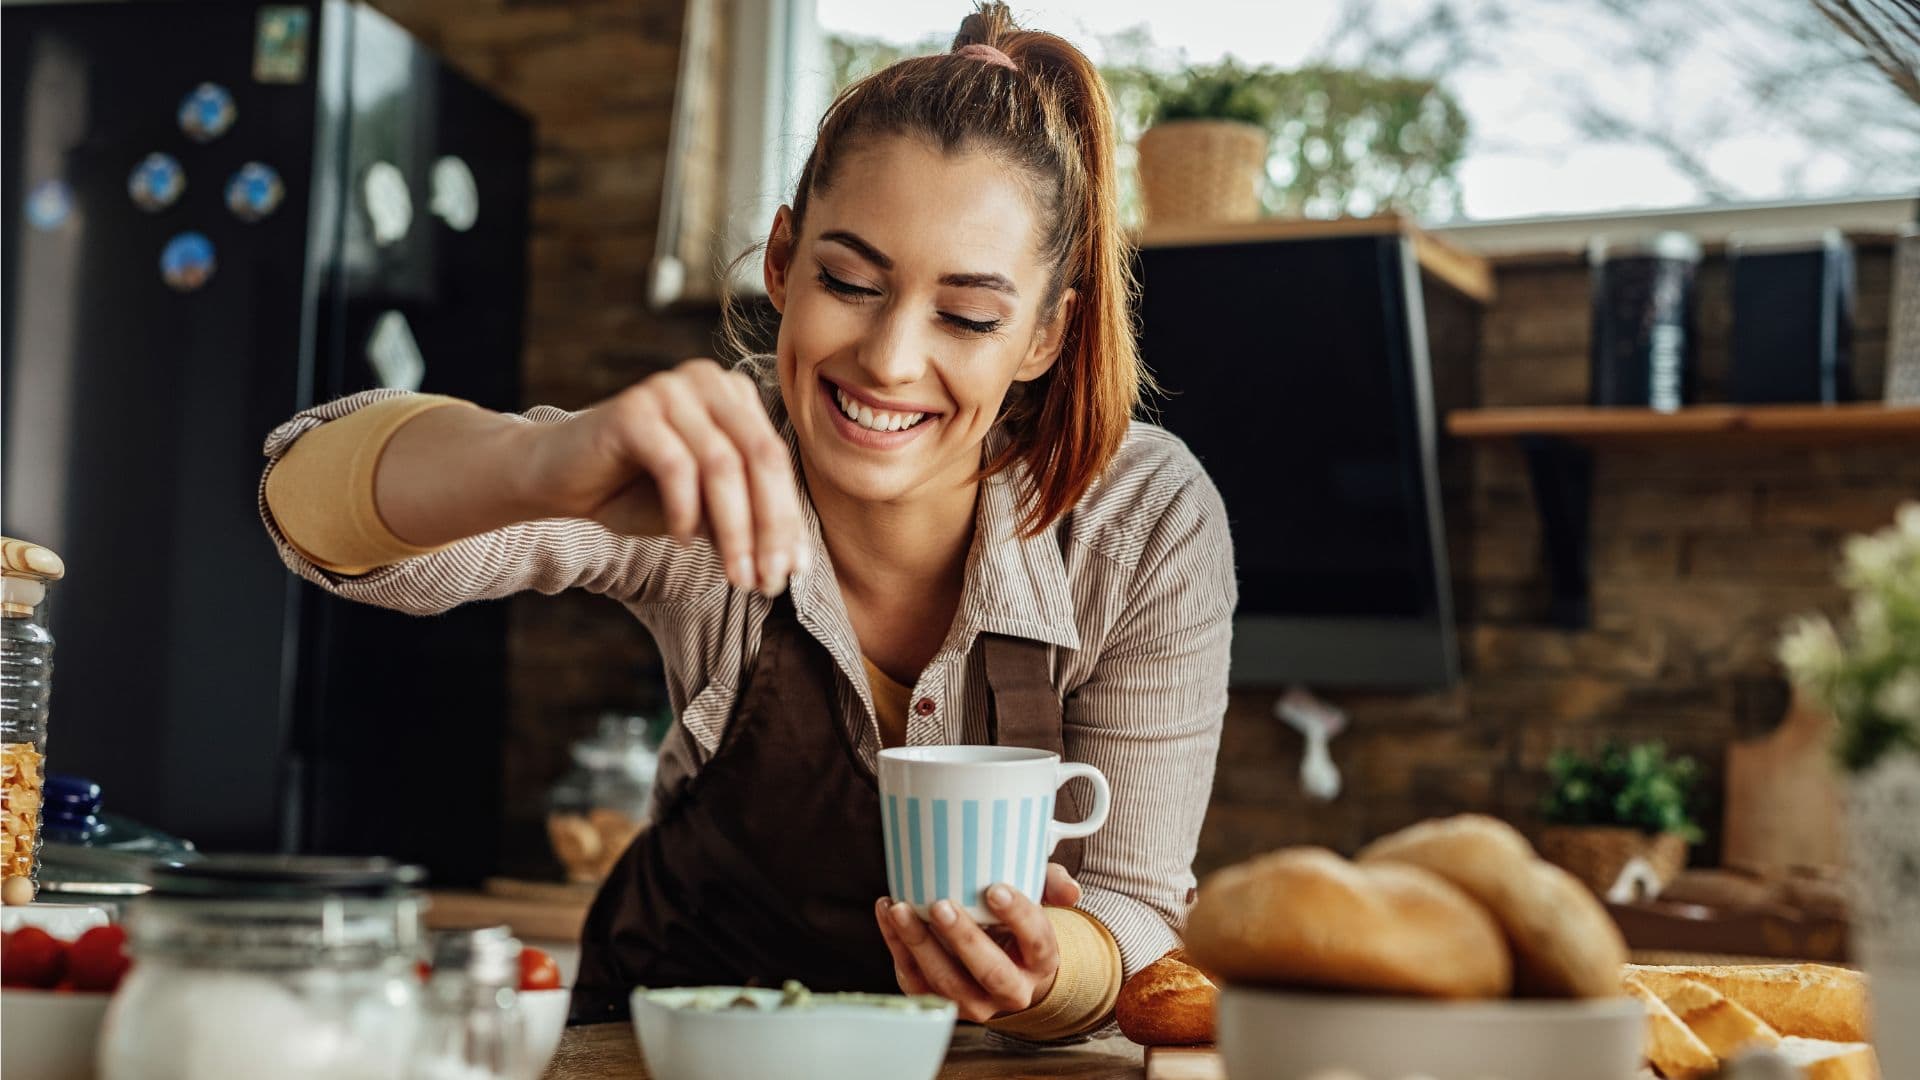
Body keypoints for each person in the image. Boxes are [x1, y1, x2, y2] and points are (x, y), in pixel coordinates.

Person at [257, 2, 1234, 1042]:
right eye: (849, 282)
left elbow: (1134, 908)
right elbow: (301, 502)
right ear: (781, 259)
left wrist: (1046, 974)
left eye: (967, 315)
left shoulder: (1142, 518)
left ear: (1046, 332)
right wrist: (540, 460)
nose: (892, 359)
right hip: (680, 1043)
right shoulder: (707, 459)